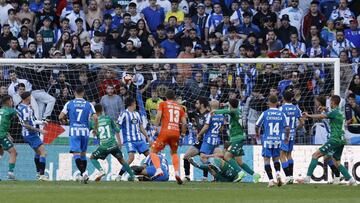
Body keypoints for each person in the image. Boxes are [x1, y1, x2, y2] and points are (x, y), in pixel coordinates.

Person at [299, 95, 357, 186]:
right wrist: (325, 109)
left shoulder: (334, 112)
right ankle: (351, 180)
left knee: (315, 155)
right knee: (336, 162)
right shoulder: (339, 112)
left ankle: (307, 178)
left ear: (333, 102)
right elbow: (330, 114)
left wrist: (308, 115)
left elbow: (322, 116)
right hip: (341, 140)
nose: (329, 103)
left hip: (334, 139)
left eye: (330, 102)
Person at [213, 98, 261, 183]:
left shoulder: (233, 111)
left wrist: (215, 111)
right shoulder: (238, 110)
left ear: (231, 105)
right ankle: (255, 175)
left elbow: (227, 111)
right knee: (239, 161)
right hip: (239, 138)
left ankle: (240, 172)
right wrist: (225, 104)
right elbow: (230, 107)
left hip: (237, 139)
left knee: (227, 156)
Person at [59, 86, 98, 184]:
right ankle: (82, 176)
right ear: (83, 93)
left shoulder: (69, 103)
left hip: (74, 131)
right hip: (85, 131)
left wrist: (65, 121)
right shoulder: (89, 104)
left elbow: (60, 116)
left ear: (74, 92)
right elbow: (96, 118)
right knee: (83, 154)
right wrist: (95, 129)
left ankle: (84, 172)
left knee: (76, 154)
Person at [89, 104, 137, 181]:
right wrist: (119, 141)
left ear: (94, 112)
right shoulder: (108, 118)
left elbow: (87, 131)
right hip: (114, 145)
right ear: (102, 110)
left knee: (92, 158)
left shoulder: (92, 122)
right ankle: (134, 177)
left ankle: (101, 171)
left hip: (104, 147)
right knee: (122, 160)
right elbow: (117, 130)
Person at [150, 89, 187, 184]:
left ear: (165, 97)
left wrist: (155, 126)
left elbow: (158, 117)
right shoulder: (180, 107)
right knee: (174, 153)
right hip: (176, 133)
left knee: (153, 151)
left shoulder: (162, 104)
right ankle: (177, 173)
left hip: (165, 132)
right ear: (174, 97)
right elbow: (184, 123)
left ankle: (158, 169)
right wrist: (183, 133)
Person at [255, 95, 290, 187]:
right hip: (277, 140)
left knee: (266, 160)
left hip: (267, 140)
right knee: (276, 159)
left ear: (269, 103)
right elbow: (287, 128)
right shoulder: (282, 114)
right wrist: (287, 137)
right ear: (277, 103)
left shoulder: (265, 113)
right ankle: (278, 173)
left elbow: (257, 125)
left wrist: (257, 133)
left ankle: (270, 180)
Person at [117, 97, 151, 181]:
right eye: (135, 103)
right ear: (132, 103)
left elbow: (141, 127)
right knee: (131, 158)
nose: (136, 105)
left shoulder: (137, 114)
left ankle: (151, 173)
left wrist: (147, 138)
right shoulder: (124, 114)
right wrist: (119, 141)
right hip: (129, 141)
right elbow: (117, 127)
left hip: (139, 140)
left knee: (150, 156)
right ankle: (119, 175)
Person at [17, 92, 48, 181]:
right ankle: (41, 175)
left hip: (26, 134)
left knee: (38, 153)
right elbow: (27, 125)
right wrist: (40, 130)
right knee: (43, 152)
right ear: (27, 98)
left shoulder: (21, 107)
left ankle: (39, 173)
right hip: (30, 134)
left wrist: (41, 122)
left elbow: (31, 121)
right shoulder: (26, 109)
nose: (31, 98)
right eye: (30, 96)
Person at [194, 100, 224, 179]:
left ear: (210, 106)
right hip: (216, 140)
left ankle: (212, 168)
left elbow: (206, 127)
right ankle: (216, 176)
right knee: (217, 156)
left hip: (208, 140)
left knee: (203, 157)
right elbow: (221, 128)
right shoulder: (222, 115)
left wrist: (199, 134)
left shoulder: (210, 115)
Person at [278, 91, 303, 184]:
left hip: (284, 134)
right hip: (292, 133)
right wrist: (296, 129)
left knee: (282, 155)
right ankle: (291, 176)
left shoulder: (281, 109)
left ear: (284, 98)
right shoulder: (296, 108)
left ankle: (288, 176)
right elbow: (302, 122)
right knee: (289, 155)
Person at [183, 97, 209, 181]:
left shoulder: (209, 114)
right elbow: (185, 115)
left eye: (197, 103)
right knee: (186, 156)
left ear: (202, 104)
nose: (195, 105)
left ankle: (205, 177)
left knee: (204, 159)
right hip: (199, 142)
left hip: (207, 141)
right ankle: (187, 176)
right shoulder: (195, 113)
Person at [0, 95, 17, 180]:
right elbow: (20, 116)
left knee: (1, 153)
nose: (12, 102)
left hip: (3, 133)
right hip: (1, 135)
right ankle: (10, 172)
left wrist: (8, 134)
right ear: (8, 102)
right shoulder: (10, 111)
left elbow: (2, 123)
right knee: (13, 152)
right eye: (11, 100)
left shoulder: (0, 110)